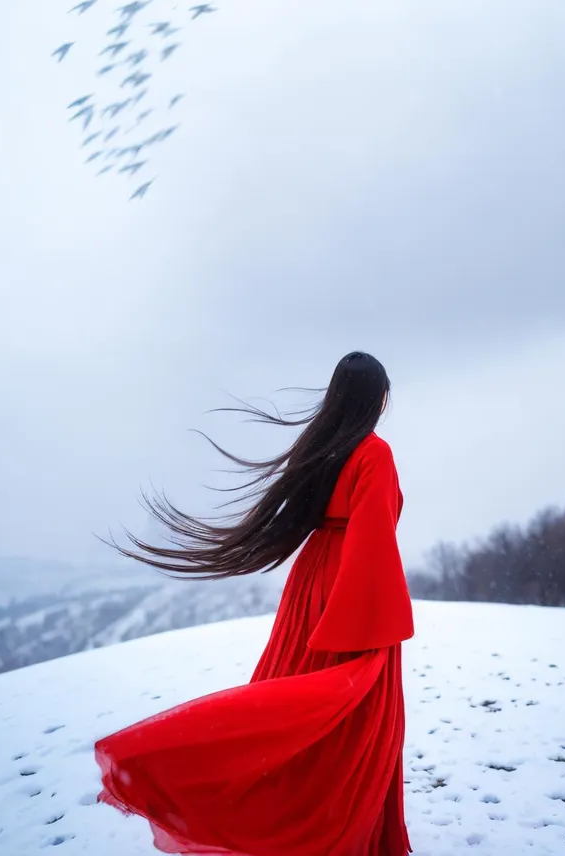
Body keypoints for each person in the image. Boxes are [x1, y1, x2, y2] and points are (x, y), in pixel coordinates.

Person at [94, 351, 415, 855]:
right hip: (352, 585)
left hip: (314, 580)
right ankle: (333, 830)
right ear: (377, 398)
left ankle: (260, 800)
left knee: (295, 706)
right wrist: (369, 622)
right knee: (348, 715)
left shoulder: (324, 447)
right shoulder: (373, 453)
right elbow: (372, 533)